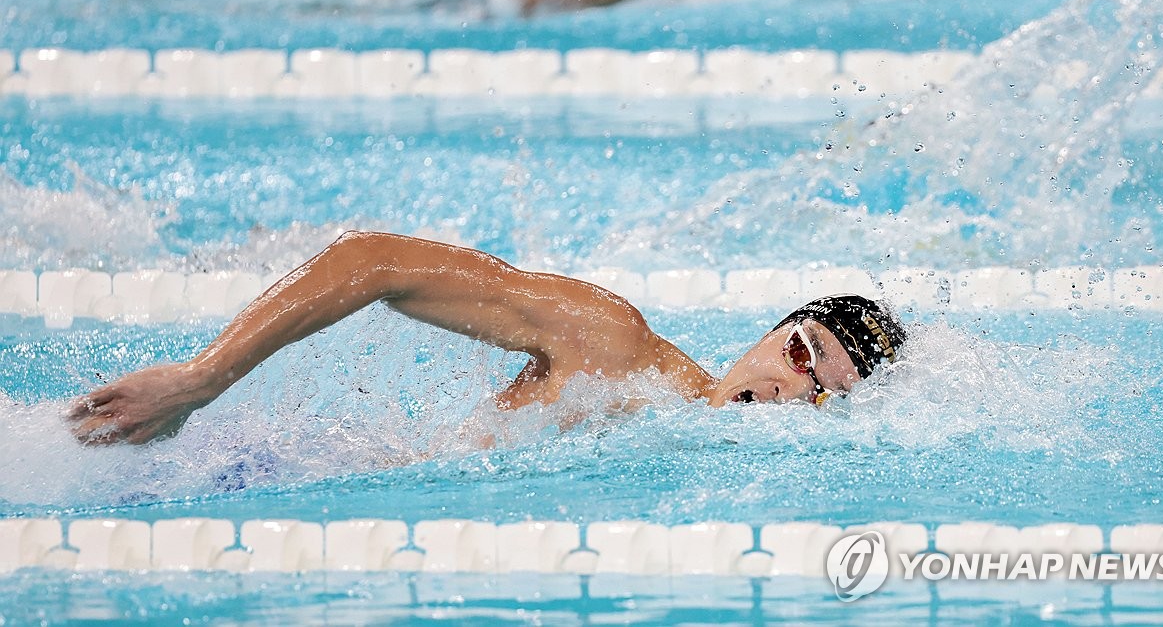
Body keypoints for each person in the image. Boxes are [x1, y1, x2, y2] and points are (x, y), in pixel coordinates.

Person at [67, 231, 907, 445]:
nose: (794, 389)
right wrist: (203, 378)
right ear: (771, 333)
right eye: (802, 355)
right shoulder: (612, 345)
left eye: (824, 392)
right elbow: (374, 259)